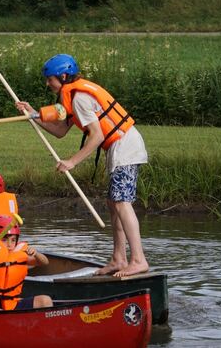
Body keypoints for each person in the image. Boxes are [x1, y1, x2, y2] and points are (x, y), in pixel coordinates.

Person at [16, 54, 149, 277]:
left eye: (50, 79)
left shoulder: (79, 98)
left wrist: (72, 162)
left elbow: (96, 136)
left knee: (122, 202)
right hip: (118, 148)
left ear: (64, 76)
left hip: (126, 146)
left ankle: (138, 259)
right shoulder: (71, 97)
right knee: (113, 203)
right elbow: (59, 131)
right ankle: (119, 259)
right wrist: (32, 115)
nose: (47, 83)